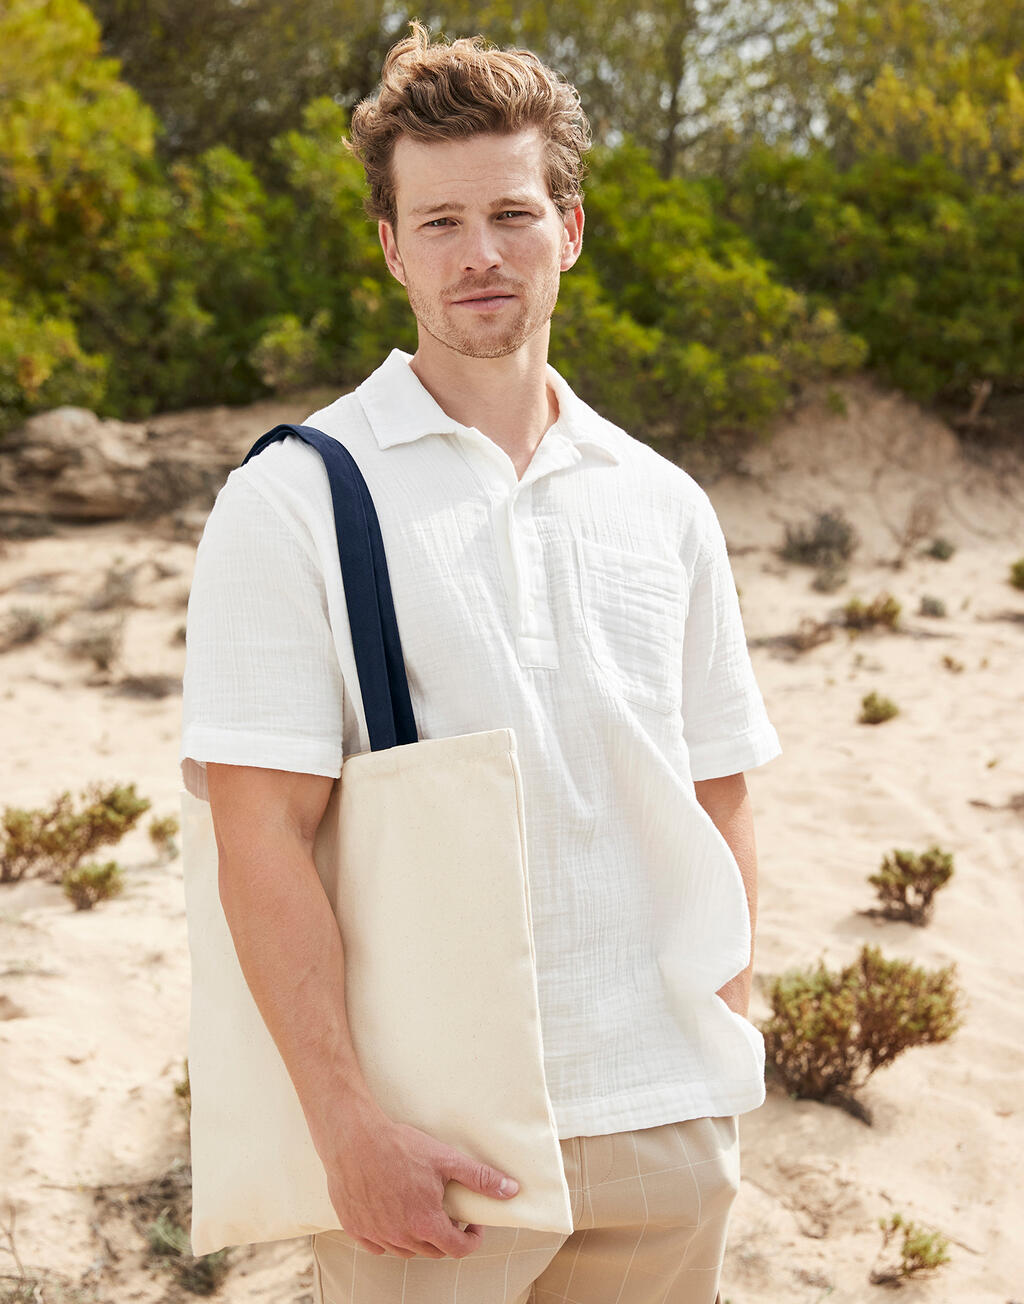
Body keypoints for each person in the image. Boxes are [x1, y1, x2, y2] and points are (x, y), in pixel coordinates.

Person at [180, 21, 781, 1304]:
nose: (480, 254)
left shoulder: (661, 499)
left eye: (512, 213)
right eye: (440, 222)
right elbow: (261, 833)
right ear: (391, 248)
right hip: (437, 1146)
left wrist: (723, 1037)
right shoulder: (292, 497)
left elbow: (717, 785)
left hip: (666, 1123)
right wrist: (347, 1125)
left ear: (570, 227)